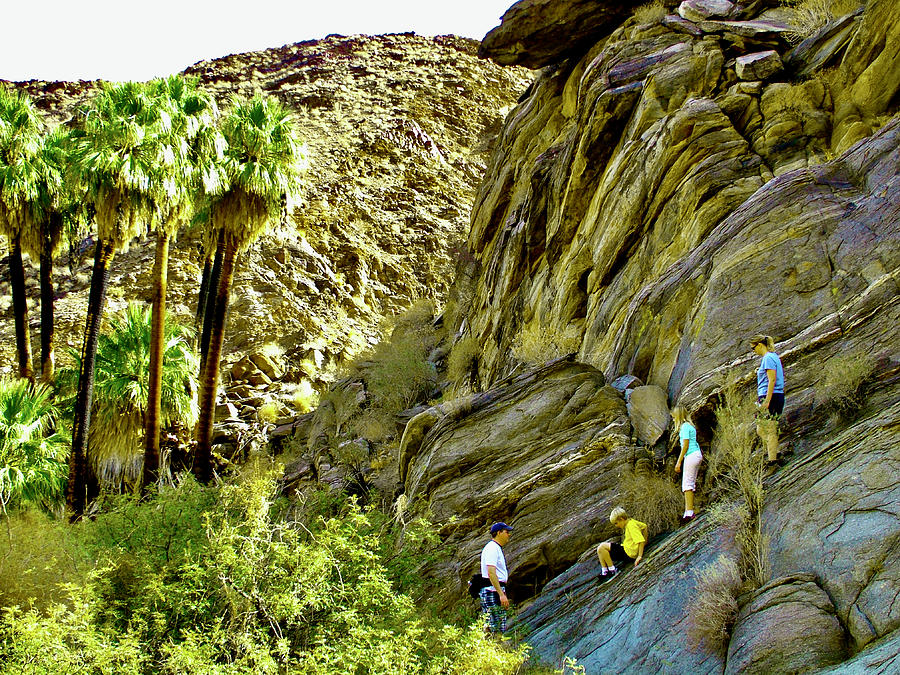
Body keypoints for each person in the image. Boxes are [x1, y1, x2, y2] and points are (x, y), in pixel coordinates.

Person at [750, 334, 785, 465]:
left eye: (753, 349)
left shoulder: (768, 358)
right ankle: (775, 452)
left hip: (770, 396)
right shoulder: (773, 357)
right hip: (772, 396)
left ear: (759, 345)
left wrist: (767, 401)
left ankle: (773, 461)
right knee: (760, 429)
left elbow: (772, 379)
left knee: (769, 429)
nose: (754, 352)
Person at [596, 507, 648, 579]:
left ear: (621, 519)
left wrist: (639, 556)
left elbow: (640, 541)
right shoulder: (631, 522)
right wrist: (646, 541)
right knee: (599, 549)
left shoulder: (631, 526)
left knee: (602, 547)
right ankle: (605, 571)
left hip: (628, 553)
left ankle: (613, 570)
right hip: (626, 550)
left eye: (616, 523)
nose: (616, 526)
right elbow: (644, 526)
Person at [480, 522, 512, 633]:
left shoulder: (496, 548)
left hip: (495, 590)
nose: (509, 535)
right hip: (492, 591)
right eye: (506, 532)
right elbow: (491, 573)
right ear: (499, 533)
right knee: (496, 628)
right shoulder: (492, 548)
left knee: (496, 625)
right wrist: (501, 594)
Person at [672, 406, 702, 523]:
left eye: (674, 418)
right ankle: (688, 511)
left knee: (687, 484)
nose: (674, 420)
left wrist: (679, 462)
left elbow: (685, 445)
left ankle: (689, 512)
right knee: (691, 483)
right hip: (697, 453)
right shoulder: (690, 426)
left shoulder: (684, 427)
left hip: (691, 454)